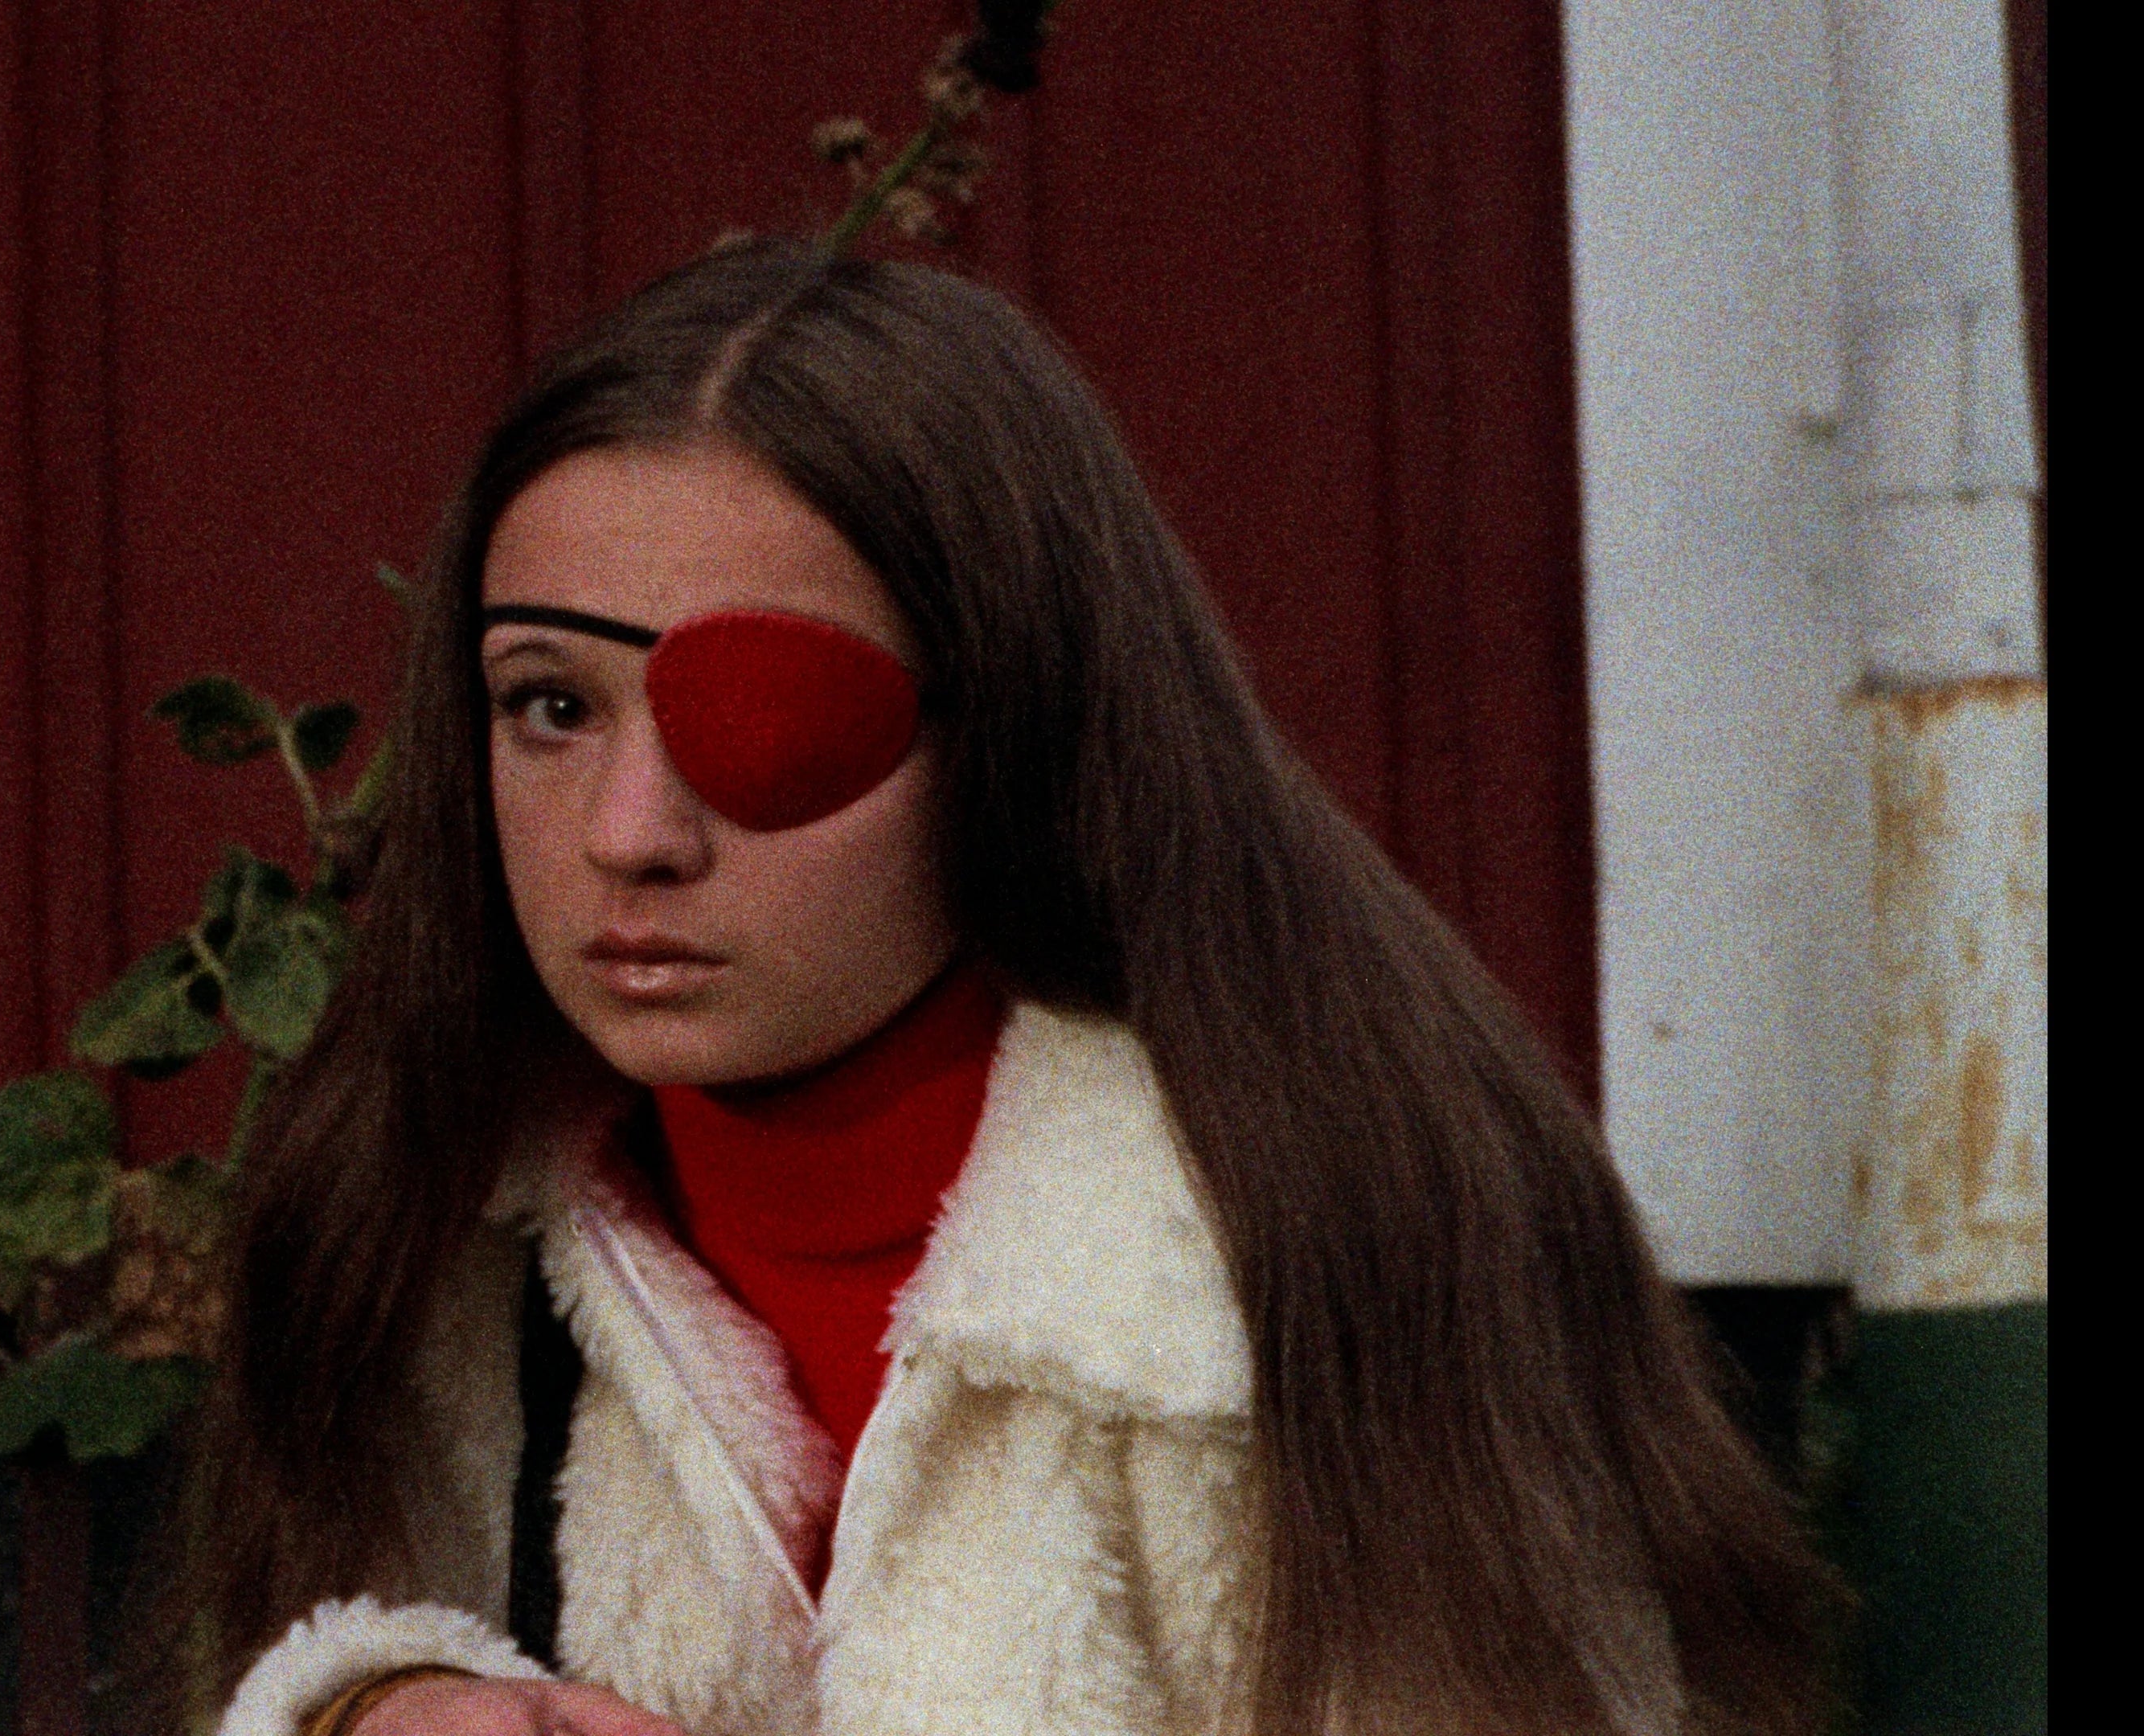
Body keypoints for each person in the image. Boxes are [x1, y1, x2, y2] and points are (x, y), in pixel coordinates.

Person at [169, 238, 1834, 1735]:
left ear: (1015, 729)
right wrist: (372, 1704)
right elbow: (317, 1624)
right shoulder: (427, 1232)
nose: (629, 835)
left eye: (767, 718)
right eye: (549, 706)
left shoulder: (1295, 1256)